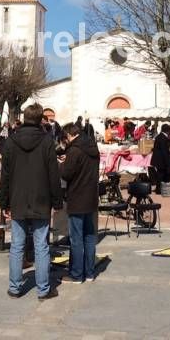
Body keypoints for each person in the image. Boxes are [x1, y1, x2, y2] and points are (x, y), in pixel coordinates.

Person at [0, 103, 62, 300]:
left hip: (17, 198)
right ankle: (43, 289)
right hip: (41, 199)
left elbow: (5, 175)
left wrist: (4, 202)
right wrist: (57, 201)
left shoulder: (11, 141)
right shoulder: (47, 142)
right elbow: (54, 174)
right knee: (41, 245)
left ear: (24, 118)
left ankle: (15, 287)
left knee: (17, 245)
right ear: (40, 119)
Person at [58, 122, 100, 284]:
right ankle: (89, 273)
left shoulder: (74, 150)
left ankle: (76, 274)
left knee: (76, 238)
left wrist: (62, 163)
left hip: (77, 197)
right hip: (91, 197)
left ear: (69, 135)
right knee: (89, 236)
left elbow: (67, 174)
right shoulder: (92, 147)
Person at [151, 124, 170, 192]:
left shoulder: (159, 136)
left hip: (158, 159)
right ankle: (159, 189)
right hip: (161, 160)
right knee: (161, 175)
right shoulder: (163, 138)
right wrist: (167, 161)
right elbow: (164, 151)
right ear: (167, 131)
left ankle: (159, 188)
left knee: (160, 174)